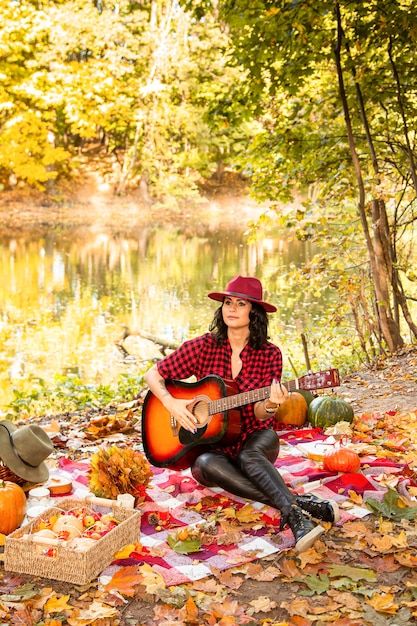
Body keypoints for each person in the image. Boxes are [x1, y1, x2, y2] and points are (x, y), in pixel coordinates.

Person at [144, 275, 339, 552]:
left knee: (249, 456)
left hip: (255, 436)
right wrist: (171, 403)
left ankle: (294, 516)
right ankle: (300, 504)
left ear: (254, 312)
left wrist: (272, 403)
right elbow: (153, 375)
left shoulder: (270, 354)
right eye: (227, 302)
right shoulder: (203, 346)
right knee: (203, 465)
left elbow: (261, 414)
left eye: (240, 304)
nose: (231, 309)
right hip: (216, 443)